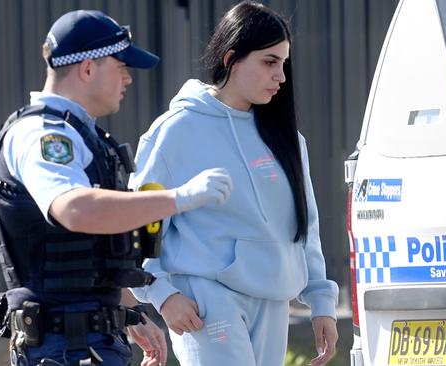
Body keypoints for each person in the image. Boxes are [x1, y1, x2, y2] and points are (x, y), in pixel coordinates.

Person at [0, 9, 232, 366]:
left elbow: (92, 250)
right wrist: (180, 197)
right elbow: (75, 209)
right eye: (120, 66)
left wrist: (130, 311)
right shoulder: (43, 136)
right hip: (63, 348)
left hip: (87, 341)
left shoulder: (82, 135)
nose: (127, 79)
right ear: (87, 68)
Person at [129, 2, 339, 366]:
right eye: (270, 62)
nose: (281, 77)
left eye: (284, 64)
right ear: (231, 59)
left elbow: (307, 225)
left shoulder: (286, 137)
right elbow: (140, 217)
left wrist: (321, 301)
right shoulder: (177, 130)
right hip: (206, 299)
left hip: (273, 300)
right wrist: (161, 293)